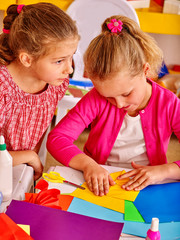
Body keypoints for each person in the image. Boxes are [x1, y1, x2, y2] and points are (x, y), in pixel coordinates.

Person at [47, 15, 180, 196]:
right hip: (98, 180)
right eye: (108, 96)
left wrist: (164, 171)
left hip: (149, 185)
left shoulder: (169, 103)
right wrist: (88, 165)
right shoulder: (96, 98)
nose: (119, 103)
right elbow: (57, 138)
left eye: (126, 93)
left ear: (145, 70)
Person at [0, 3, 79, 180]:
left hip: (18, 172)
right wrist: (29, 156)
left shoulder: (54, 84)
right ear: (27, 59)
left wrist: (31, 157)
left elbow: (38, 127)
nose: (69, 69)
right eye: (59, 61)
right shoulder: (2, 89)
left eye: (71, 56)